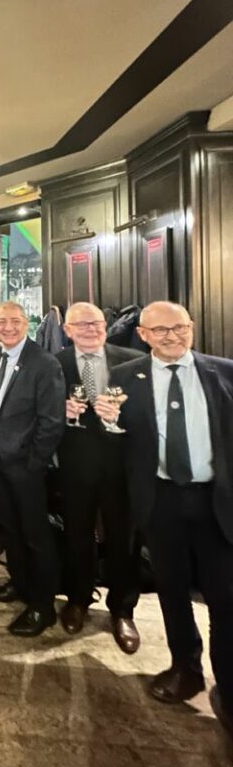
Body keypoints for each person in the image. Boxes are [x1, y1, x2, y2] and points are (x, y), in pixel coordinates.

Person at [100, 301, 233, 740]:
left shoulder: (224, 373)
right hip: (160, 501)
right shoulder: (124, 378)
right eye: (160, 331)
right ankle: (185, 668)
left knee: (225, 597)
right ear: (143, 335)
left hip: (216, 501)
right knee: (172, 591)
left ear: (191, 327)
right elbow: (118, 443)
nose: (172, 336)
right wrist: (107, 423)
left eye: (179, 328)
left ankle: (229, 684)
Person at [56, 302, 142, 653]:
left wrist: (125, 413)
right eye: (82, 324)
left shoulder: (132, 360)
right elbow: (41, 409)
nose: (91, 329)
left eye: (95, 322)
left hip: (121, 466)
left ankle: (122, 610)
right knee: (77, 535)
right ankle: (78, 599)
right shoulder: (55, 363)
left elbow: (147, 412)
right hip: (76, 466)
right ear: (68, 330)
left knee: (124, 539)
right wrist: (61, 410)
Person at [0, 301, 66, 636]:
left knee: (35, 535)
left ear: (26, 323)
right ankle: (19, 584)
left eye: (15, 321)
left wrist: (34, 464)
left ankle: (43, 607)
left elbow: (52, 422)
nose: (8, 327)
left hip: (25, 465)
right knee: (10, 530)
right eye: (1, 321)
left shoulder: (44, 363)